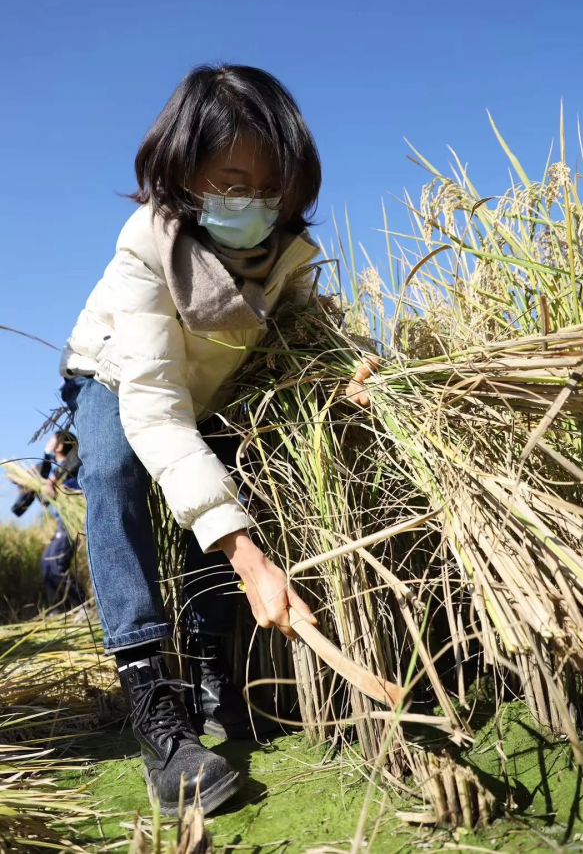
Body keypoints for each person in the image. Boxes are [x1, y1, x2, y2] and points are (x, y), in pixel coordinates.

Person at [58, 64, 375, 816]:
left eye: (271, 189)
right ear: (184, 172)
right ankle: (153, 705)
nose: (254, 204)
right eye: (233, 184)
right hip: (117, 378)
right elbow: (156, 410)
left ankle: (212, 677)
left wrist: (353, 366)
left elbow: (305, 331)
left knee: (233, 472)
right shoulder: (146, 250)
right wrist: (251, 559)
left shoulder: (286, 256)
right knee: (114, 471)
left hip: (212, 394)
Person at [12, 431, 86, 614]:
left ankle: (82, 607)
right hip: (63, 523)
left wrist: (54, 483)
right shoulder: (49, 470)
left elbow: (70, 471)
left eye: (51, 440)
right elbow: (25, 504)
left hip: (72, 523)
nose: (48, 442)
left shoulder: (74, 462)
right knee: (46, 564)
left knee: (55, 563)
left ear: (59, 445)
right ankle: (60, 610)